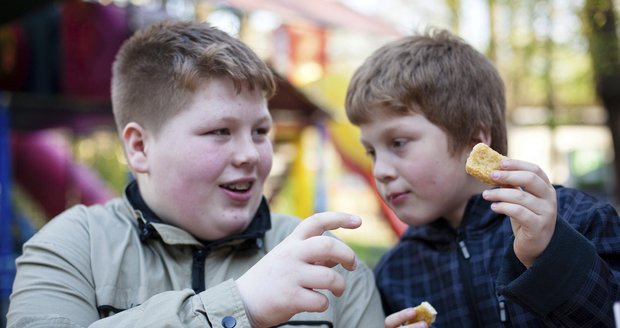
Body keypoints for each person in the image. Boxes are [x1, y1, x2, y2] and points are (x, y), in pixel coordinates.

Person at [7, 20, 384, 328]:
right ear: (139, 147)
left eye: (261, 131)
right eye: (219, 132)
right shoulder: (71, 247)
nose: (251, 154)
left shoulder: (327, 262)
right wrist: (240, 306)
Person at [344, 28, 620, 327]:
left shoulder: (579, 221)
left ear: (473, 142)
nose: (380, 170)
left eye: (398, 143)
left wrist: (548, 255)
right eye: (371, 151)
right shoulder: (395, 273)